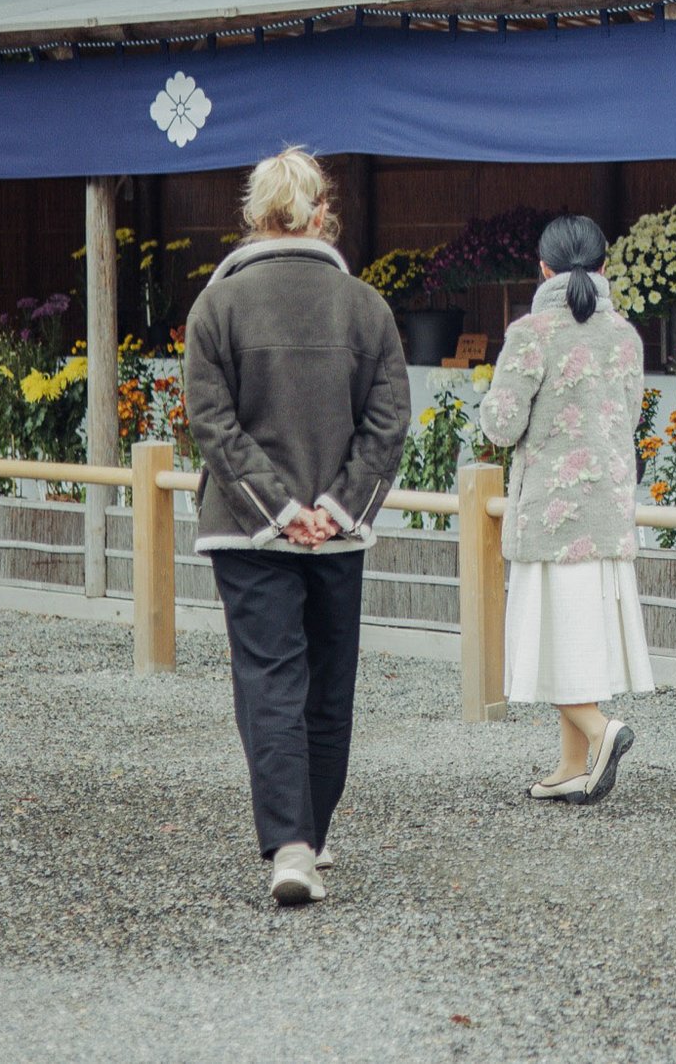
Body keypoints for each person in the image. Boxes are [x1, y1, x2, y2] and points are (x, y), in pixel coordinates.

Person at [183, 146, 409, 905]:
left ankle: (290, 843)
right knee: (328, 684)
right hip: (338, 531)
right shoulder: (366, 307)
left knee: (270, 677)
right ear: (321, 214)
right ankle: (310, 831)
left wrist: (277, 508)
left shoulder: (217, 306)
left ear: (253, 215)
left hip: (244, 529)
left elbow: (212, 423)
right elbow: (387, 424)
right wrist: (335, 508)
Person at [477, 213, 653, 803]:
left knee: (547, 643)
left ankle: (604, 731)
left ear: (543, 269)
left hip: (550, 517)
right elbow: (626, 421)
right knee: (576, 640)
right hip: (605, 514)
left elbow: (501, 425)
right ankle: (572, 767)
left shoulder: (532, 333)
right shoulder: (627, 336)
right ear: (605, 268)